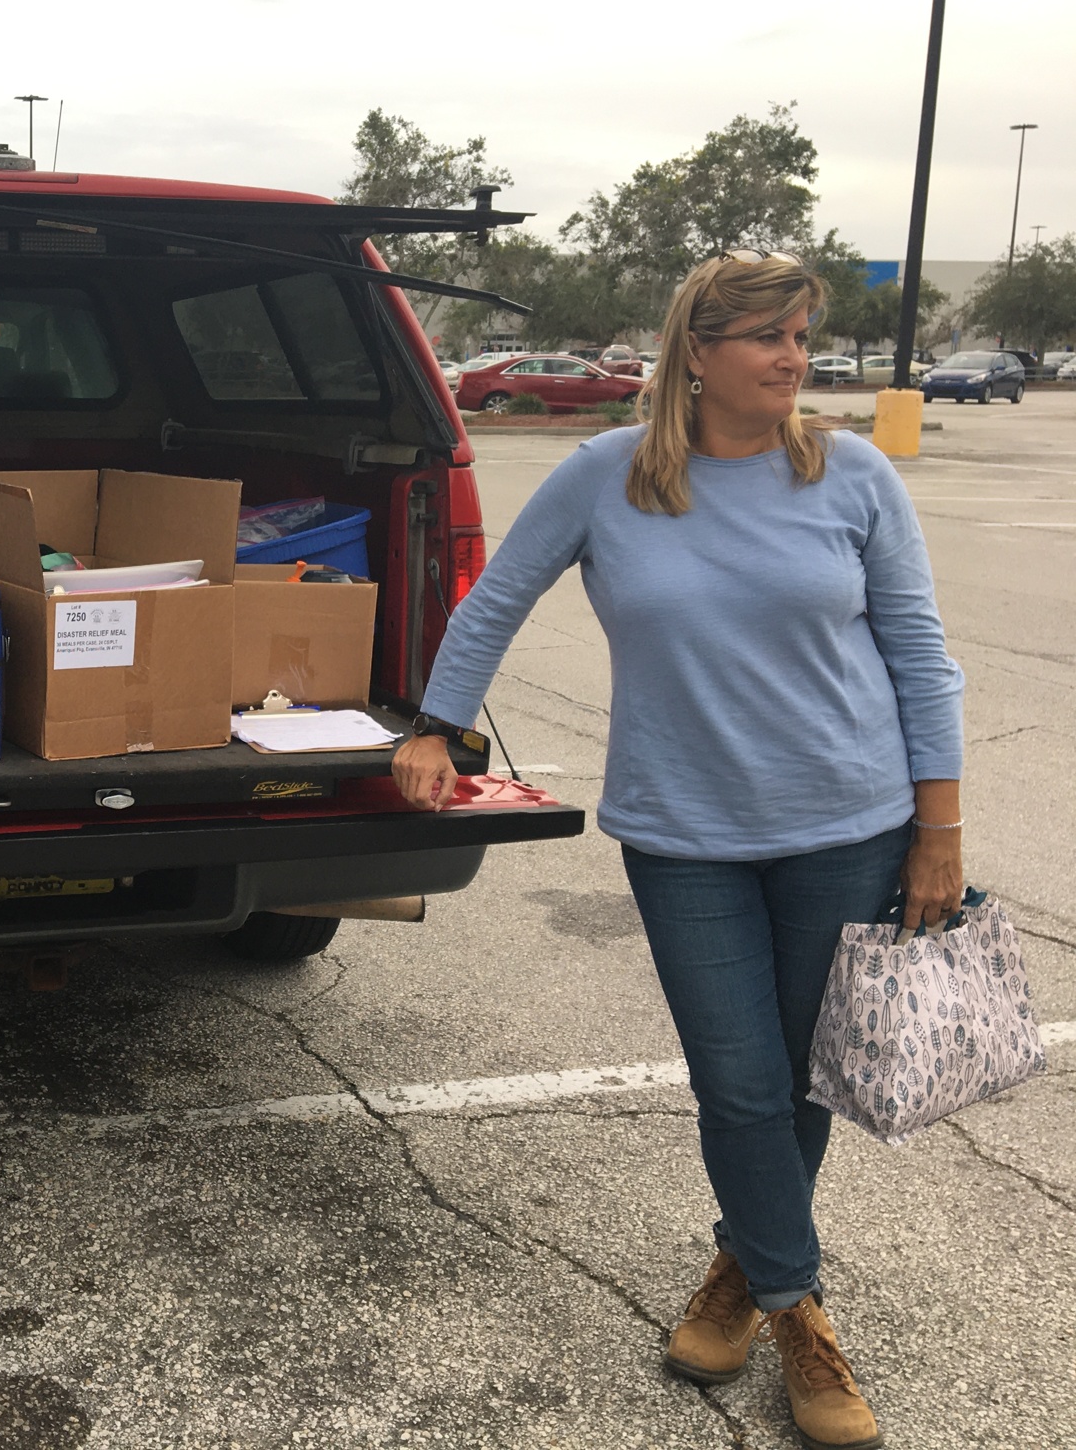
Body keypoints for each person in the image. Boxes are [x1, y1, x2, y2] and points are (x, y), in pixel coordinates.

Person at [393, 250, 963, 1450]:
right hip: (683, 836)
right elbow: (492, 598)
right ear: (694, 354)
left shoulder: (850, 475)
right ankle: (796, 1308)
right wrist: (435, 726)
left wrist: (937, 831)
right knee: (738, 1080)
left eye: (802, 337)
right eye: (769, 337)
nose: (795, 359)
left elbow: (918, 654)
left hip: (847, 827)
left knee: (800, 1079)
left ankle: (740, 1276)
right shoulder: (607, 476)